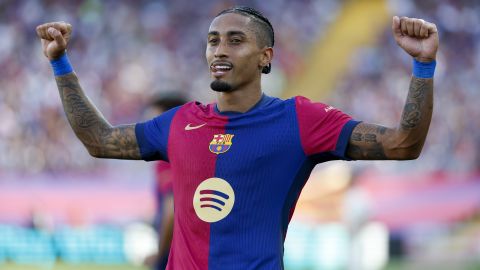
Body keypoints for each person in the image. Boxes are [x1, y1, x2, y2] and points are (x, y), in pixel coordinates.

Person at [36, 6, 438, 270]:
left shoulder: (300, 119)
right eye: (212, 40)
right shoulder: (178, 123)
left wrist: (422, 66)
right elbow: (99, 140)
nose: (219, 50)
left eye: (235, 39)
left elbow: (404, 144)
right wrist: (60, 62)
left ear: (266, 56)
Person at [143, 93, 188, 270]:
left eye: (153, 122)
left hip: (173, 253)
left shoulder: (169, 157)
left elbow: (171, 210)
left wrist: (159, 254)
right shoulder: (192, 151)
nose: (147, 129)